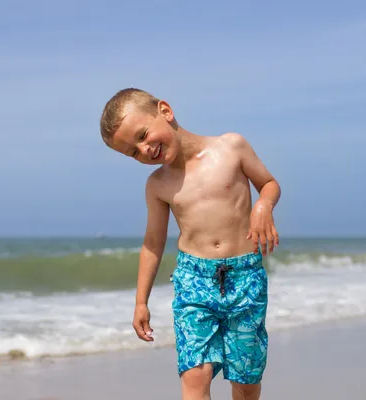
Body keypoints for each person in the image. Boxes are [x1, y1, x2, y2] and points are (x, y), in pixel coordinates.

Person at [100, 88, 281, 400]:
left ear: (166, 111)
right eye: (133, 152)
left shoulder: (231, 147)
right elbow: (153, 243)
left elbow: (268, 184)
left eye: (143, 135)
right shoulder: (158, 184)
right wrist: (140, 302)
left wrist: (263, 207)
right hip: (194, 281)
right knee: (194, 375)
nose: (144, 150)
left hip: (245, 278)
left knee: (246, 381)